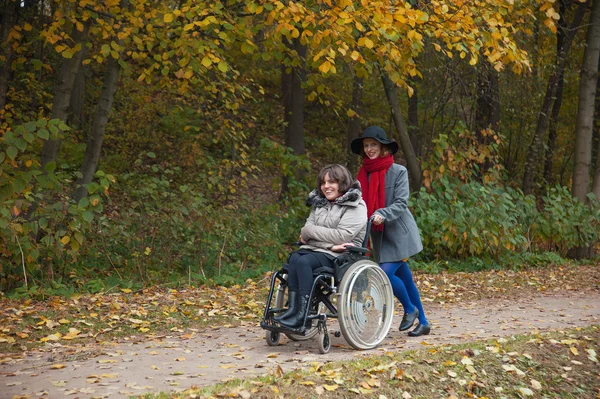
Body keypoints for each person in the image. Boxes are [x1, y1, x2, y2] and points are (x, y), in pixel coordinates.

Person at [350, 126, 430, 337]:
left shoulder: (398, 171)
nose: (369, 149)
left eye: (373, 145)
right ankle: (423, 322)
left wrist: (382, 213)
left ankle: (410, 309)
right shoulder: (362, 175)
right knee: (405, 278)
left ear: (383, 147)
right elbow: (357, 202)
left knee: (384, 274)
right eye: (366, 146)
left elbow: (402, 202)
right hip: (379, 235)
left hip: (399, 233)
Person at [275, 164, 367, 328]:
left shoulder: (356, 206)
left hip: (343, 257)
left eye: (331, 182)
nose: (326, 186)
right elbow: (305, 233)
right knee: (295, 258)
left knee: (304, 262)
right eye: (323, 183)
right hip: (324, 251)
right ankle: (294, 309)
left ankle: (303, 313)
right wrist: (328, 245)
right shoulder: (320, 203)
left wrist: (312, 234)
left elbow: (342, 236)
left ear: (342, 183)